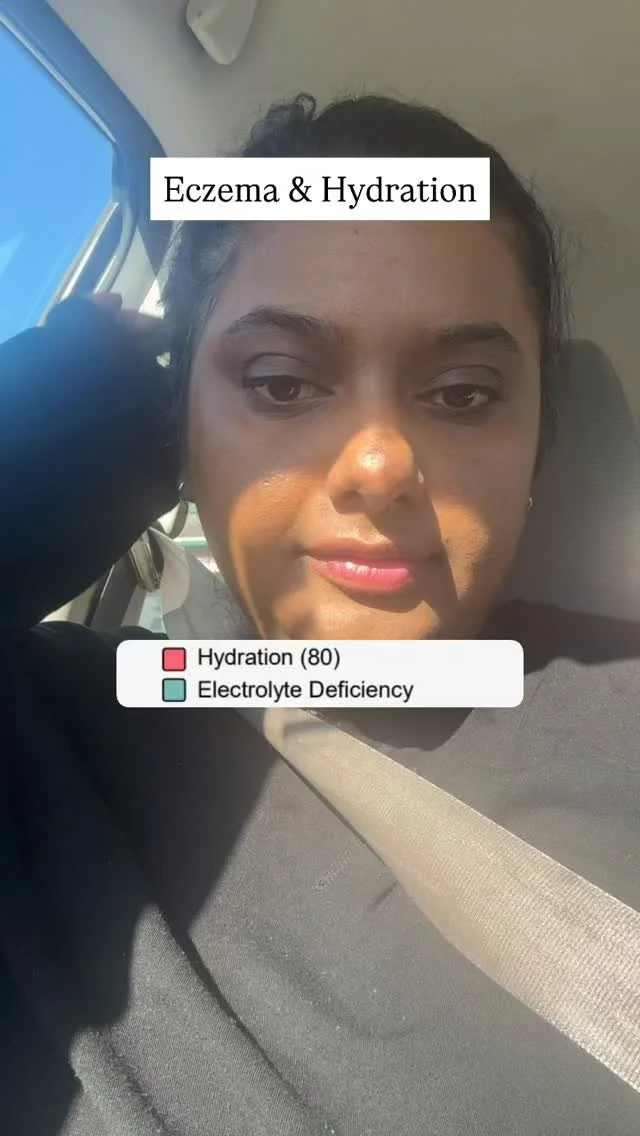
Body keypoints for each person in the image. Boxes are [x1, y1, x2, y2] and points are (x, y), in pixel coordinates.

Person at [1, 93, 639, 1136]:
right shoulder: (44, 743)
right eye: (281, 383)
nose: (379, 463)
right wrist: (77, 394)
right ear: (179, 429)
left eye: (464, 393)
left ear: (536, 444)